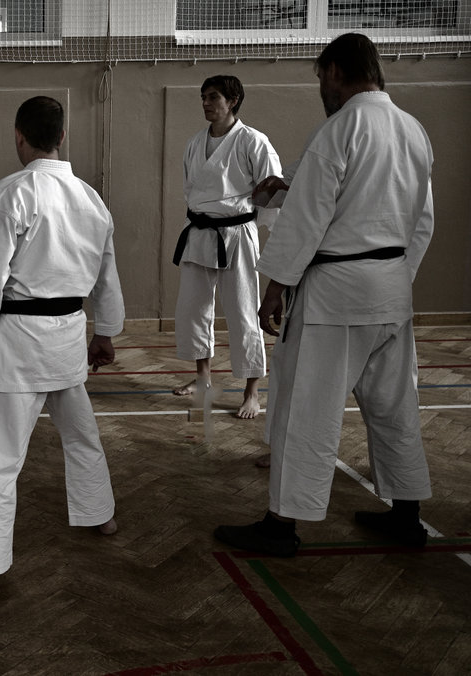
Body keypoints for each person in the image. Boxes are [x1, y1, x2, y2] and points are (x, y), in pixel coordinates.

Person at [215, 33, 434, 557]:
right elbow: (422, 220)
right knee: (395, 406)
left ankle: (281, 525)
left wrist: (275, 287)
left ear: (335, 71)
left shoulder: (341, 128)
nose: (322, 89)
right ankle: (406, 515)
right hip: (391, 289)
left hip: (336, 295)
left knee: (306, 408)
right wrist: (396, 277)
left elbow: (309, 216)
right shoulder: (413, 129)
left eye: (321, 78)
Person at [0, 96, 124, 599]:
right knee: (80, 433)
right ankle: (100, 514)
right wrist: (105, 332)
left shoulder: (10, 194)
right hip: (69, 335)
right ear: (61, 137)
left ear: (19, 136)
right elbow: (106, 274)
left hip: (19, 342)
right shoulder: (91, 199)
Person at [172, 75, 282, 420]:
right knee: (193, 309)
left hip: (236, 233)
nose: (206, 103)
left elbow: (273, 192)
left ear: (233, 100)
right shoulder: (195, 143)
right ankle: (203, 377)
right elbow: (190, 190)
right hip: (199, 230)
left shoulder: (253, 141)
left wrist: (256, 227)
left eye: (213, 97)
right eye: (203, 97)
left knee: (243, 310)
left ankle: (252, 391)